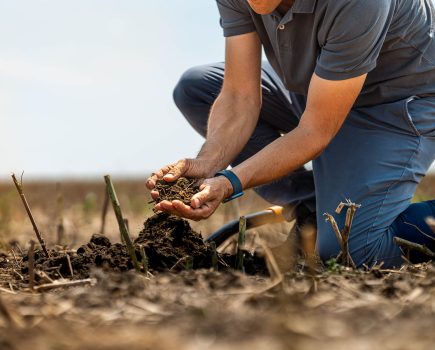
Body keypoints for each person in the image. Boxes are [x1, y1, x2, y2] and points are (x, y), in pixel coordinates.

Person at [147, 0, 435, 268]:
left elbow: (315, 131)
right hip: (318, 84)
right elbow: (239, 96)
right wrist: (209, 162)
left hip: (396, 104)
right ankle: (312, 208)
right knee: (198, 88)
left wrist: (229, 182)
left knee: (354, 250)